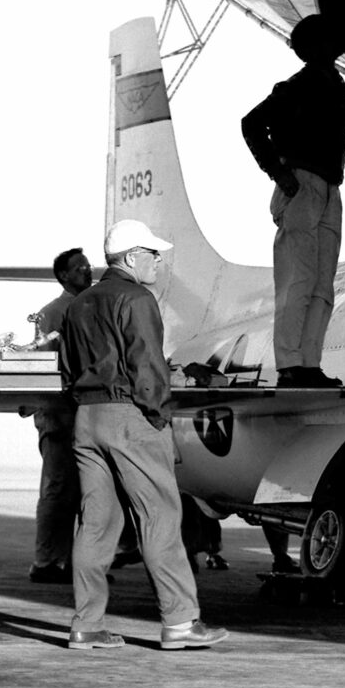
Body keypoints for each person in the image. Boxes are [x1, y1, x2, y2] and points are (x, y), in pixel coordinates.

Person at [58, 219, 227, 650]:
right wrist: (157, 417)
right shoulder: (137, 298)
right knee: (160, 518)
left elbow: (67, 370)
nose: (158, 261)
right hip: (129, 416)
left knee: (95, 524)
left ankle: (86, 625)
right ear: (132, 257)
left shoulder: (78, 305)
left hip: (87, 417)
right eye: (153, 254)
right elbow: (147, 366)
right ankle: (180, 622)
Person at [242, 15, 345, 389]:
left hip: (326, 186)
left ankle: (308, 364)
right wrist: (277, 172)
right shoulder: (300, 85)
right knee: (298, 280)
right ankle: (290, 365)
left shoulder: (331, 83)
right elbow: (252, 123)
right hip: (302, 184)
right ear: (315, 46)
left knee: (321, 281)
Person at [21, 246, 95, 583]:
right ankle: (48, 561)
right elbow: (40, 365)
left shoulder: (94, 307)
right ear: (63, 275)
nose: (87, 270)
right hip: (61, 417)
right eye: (79, 268)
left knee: (87, 494)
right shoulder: (52, 313)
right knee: (58, 492)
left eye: (87, 266)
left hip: (87, 416)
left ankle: (75, 562)